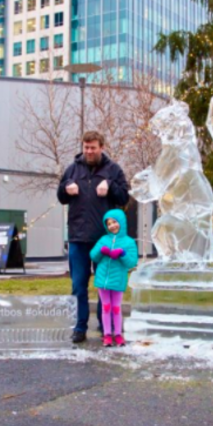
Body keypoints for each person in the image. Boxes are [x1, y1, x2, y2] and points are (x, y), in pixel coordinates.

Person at [57, 131, 130, 344]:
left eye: (93, 148)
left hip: (104, 240)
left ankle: (105, 324)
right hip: (78, 238)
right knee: (78, 285)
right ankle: (80, 327)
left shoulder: (113, 170)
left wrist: (110, 187)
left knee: (105, 286)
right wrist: (65, 189)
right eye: (86, 147)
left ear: (101, 147)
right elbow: (60, 196)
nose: (89, 151)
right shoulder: (72, 169)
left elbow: (124, 197)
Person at [91, 209, 139, 347]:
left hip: (118, 280)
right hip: (102, 280)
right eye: (109, 223)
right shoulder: (103, 239)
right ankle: (107, 334)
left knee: (116, 308)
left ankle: (118, 334)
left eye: (114, 222)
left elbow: (132, 262)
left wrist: (122, 253)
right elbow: (93, 256)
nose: (112, 226)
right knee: (106, 307)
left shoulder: (129, 242)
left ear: (121, 222)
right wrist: (101, 251)